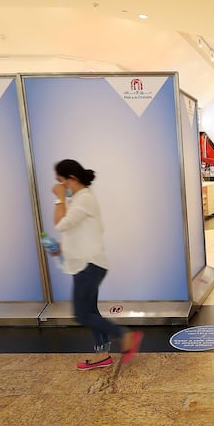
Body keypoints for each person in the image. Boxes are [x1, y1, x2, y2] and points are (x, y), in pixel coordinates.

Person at [52, 159, 141, 371]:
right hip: (85, 264)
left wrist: (59, 199)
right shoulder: (81, 200)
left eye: (60, 182)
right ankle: (102, 355)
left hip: (88, 265)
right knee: (90, 312)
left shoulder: (83, 199)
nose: (58, 187)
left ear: (71, 179)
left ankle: (125, 335)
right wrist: (61, 248)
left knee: (83, 315)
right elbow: (77, 231)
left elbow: (61, 223)